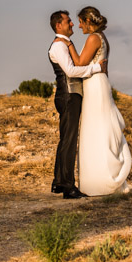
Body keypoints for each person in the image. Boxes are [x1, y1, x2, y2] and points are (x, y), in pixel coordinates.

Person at [65, 6, 132, 195]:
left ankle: (100, 181)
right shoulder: (102, 37)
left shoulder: (94, 38)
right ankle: (98, 179)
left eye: (80, 22)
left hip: (95, 86)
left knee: (96, 129)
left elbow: (79, 63)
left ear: (88, 21)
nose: (79, 26)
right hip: (98, 83)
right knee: (98, 128)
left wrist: (68, 44)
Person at [47, 10, 104, 199]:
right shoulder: (58, 46)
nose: (72, 24)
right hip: (68, 95)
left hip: (70, 95)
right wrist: (97, 68)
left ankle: (59, 182)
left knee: (66, 139)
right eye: (68, 21)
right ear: (58, 25)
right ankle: (68, 187)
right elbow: (71, 71)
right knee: (69, 141)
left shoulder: (64, 44)